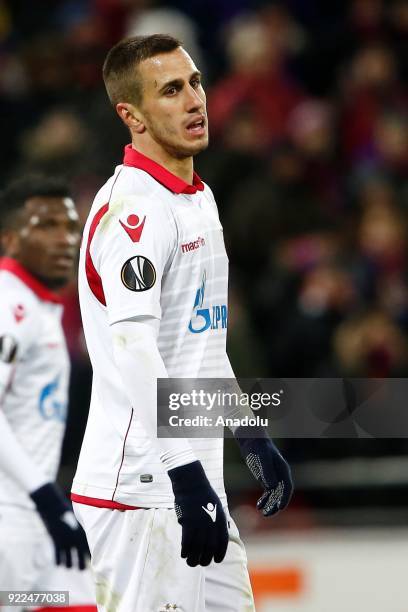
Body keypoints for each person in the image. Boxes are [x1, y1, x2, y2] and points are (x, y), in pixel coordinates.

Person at [71, 34, 293, 611]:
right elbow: (134, 347)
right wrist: (184, 473)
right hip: (141, 491)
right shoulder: (134, 212)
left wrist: (250, 433)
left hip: (192, 481)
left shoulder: (199, 197)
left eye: (195, 83)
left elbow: (201, 344)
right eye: (171, 90)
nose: (195, 100)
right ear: (132, 116)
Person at [0, 175, 96, 611]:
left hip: (37, 517)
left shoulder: (40, 307)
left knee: (81, 602)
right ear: (10, 239)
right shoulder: (8, 303)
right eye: (46, 226)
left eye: (71, 226)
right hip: (12, 519)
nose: (65, 239)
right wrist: (44, 494)